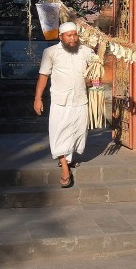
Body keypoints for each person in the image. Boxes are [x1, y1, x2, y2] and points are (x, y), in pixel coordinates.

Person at [34, 21, 94, 188]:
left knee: (77, 131)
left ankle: (67, 158)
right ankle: (65, 169)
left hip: (80, 100)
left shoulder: (86, 52)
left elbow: (95, 70)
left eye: (75, 35)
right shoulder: (50, 52)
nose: (73, 38)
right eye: (69, 35)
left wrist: (92, 81)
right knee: (59, 132)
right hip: (60, 101)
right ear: (61, 37)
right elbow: (43, 76)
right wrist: (37, 98)